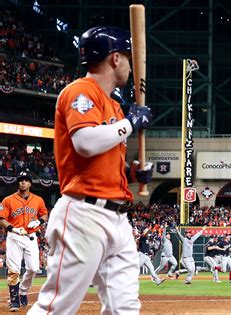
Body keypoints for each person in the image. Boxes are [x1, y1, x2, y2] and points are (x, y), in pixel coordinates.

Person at [28, 26, 153, 315]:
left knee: (124, 307)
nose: (131, 67)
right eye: (128, 58)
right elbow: (84, 143)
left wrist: (132, 176)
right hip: (84, 214)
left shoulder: (113, 105)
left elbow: (101, 160)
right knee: (57, 306)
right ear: (115, 59)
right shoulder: (81, 91)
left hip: (118, 217)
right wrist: (130, 124)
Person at [0, 171, 48, 311]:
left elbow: (44, 214)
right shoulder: (8, 200)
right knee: (14, 270)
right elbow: (2, 218)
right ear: (18, 182)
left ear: (30, 183)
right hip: (14, 237)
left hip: (31, 237)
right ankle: (14, 300)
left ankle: (23, 291)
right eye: (21, 180)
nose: (23, 182)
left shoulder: (38, 199)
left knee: (33, 268)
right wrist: (13, 229)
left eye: (26, 180)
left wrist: (39, 221)